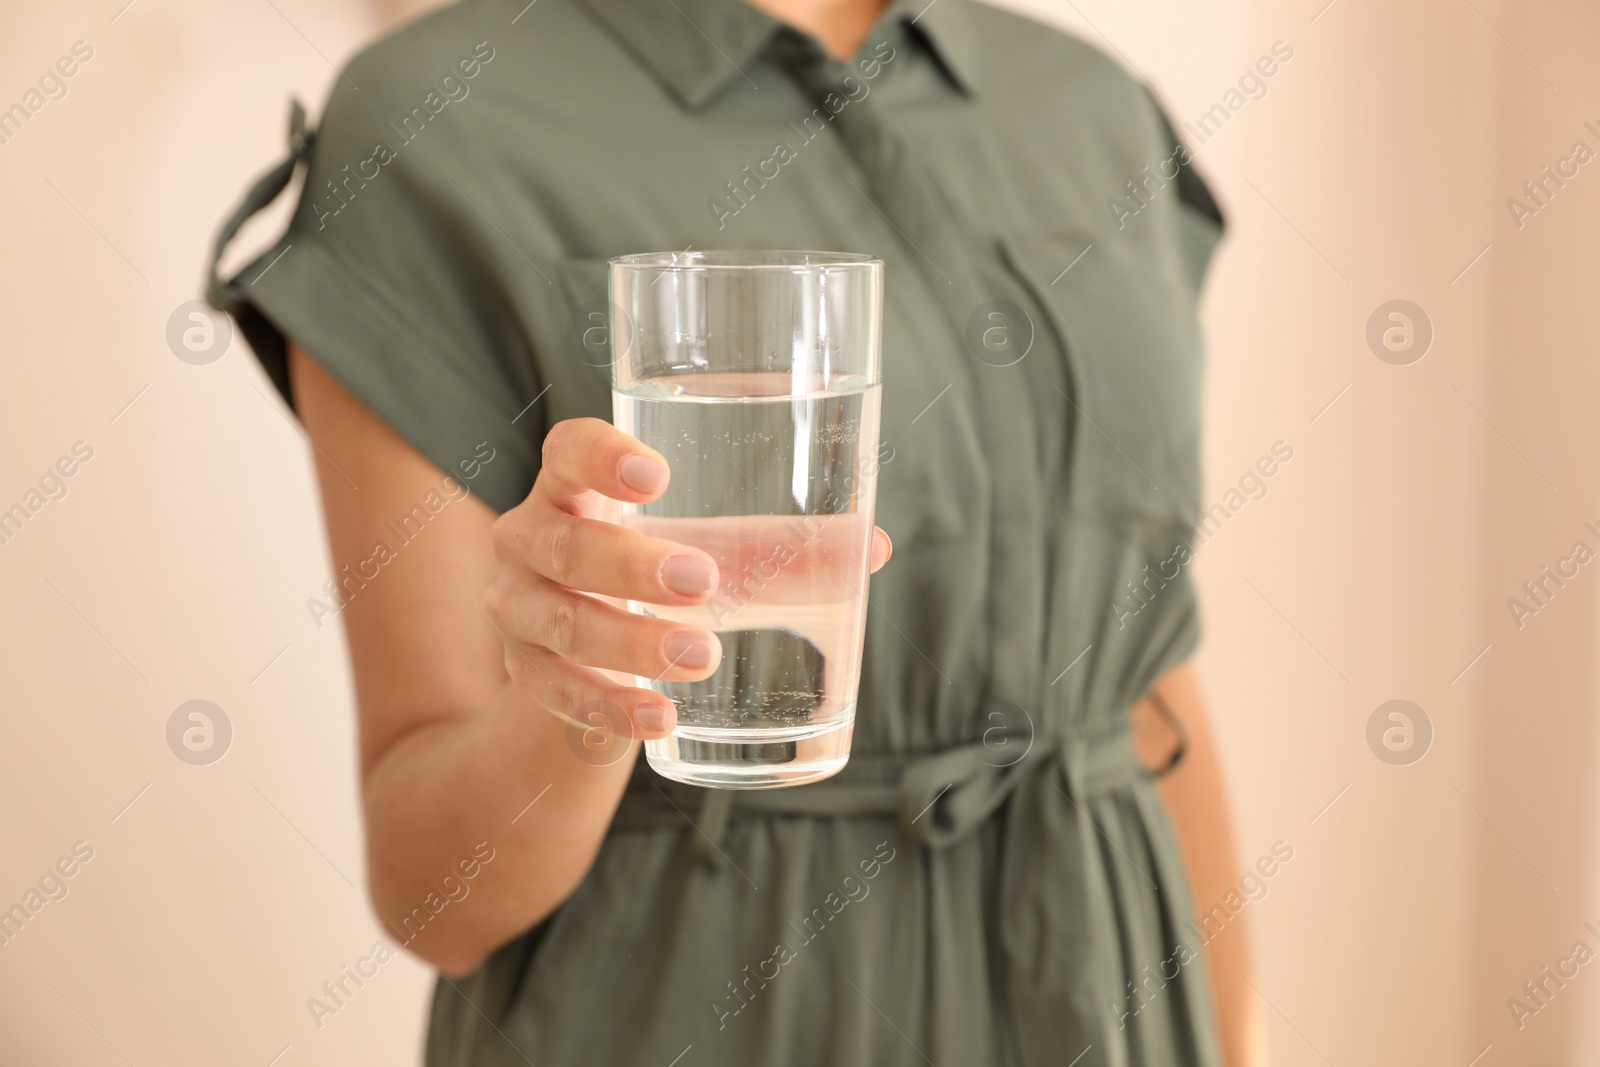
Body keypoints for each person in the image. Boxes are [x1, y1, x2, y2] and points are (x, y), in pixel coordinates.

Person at [208, 0, 1263, 1062]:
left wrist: (1234, 1038)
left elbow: (1144, 677)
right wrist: (580, 695)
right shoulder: (431, 120)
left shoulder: (1090, 105)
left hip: (1113, 988)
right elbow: (429, 893)